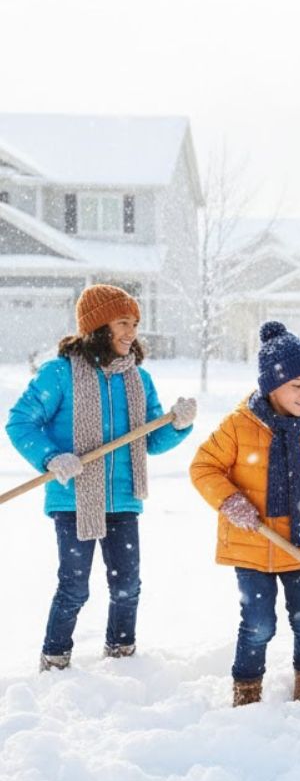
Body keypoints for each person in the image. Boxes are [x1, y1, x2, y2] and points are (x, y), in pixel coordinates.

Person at [5, 284, 196, 671]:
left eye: (135, 323)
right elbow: (20, 422)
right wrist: (51, 457)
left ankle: (121, 657)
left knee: (127, 587)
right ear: (97, 326)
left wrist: (177, 425)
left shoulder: (138, 379)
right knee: (74, 587)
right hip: (73, 499)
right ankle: (54, 659)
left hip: (123, 498)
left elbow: (151, 440)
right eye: (123, 322)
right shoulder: (59, 374)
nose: (132, 332)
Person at [190, 321, 300, 707]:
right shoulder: (239, 426)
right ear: (271, 385)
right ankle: (247, 689)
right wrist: (229, 500)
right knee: (258, 624)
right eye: (297, 385)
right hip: (251, 546)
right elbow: (204, 467)